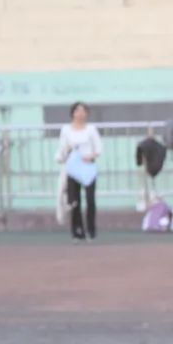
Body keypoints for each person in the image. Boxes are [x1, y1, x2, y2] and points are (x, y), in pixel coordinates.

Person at [54, 102, 102, 241]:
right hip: (72, 168)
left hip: (87, 167)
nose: (80, 114)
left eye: (83, 111)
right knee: (74, 200)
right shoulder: (66, 130)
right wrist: (66, 153)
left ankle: (91, 230)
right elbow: (62, 147)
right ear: (73, 113)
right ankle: (77, 230)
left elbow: (98, 148)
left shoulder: (91, 129)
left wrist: (90, 156)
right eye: (77, 111)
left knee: (90, 199)